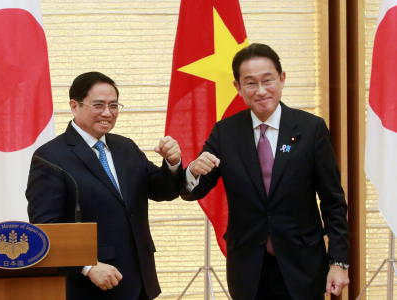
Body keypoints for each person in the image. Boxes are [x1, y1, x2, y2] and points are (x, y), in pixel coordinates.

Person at [181, 43, 349, 300]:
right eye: (250, 83)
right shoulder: (225, 133)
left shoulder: (311, 129)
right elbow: (195, 190)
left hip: (302, 264)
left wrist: (339, 262)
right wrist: (193, 170)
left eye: (267, 80)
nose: (260, 91)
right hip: (248, 267)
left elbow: (333, 202)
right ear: (238, 88)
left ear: (282, 79)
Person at [26, 71, 182, 300]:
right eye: (98, 105)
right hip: (92, 285)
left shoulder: (126, 147)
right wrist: (87, 266)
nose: (108, 113)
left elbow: (161, 191)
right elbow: (46, 228)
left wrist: (173, 164)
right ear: (74, 105)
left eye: (114, 105)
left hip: (140, 280)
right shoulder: (50, 157)